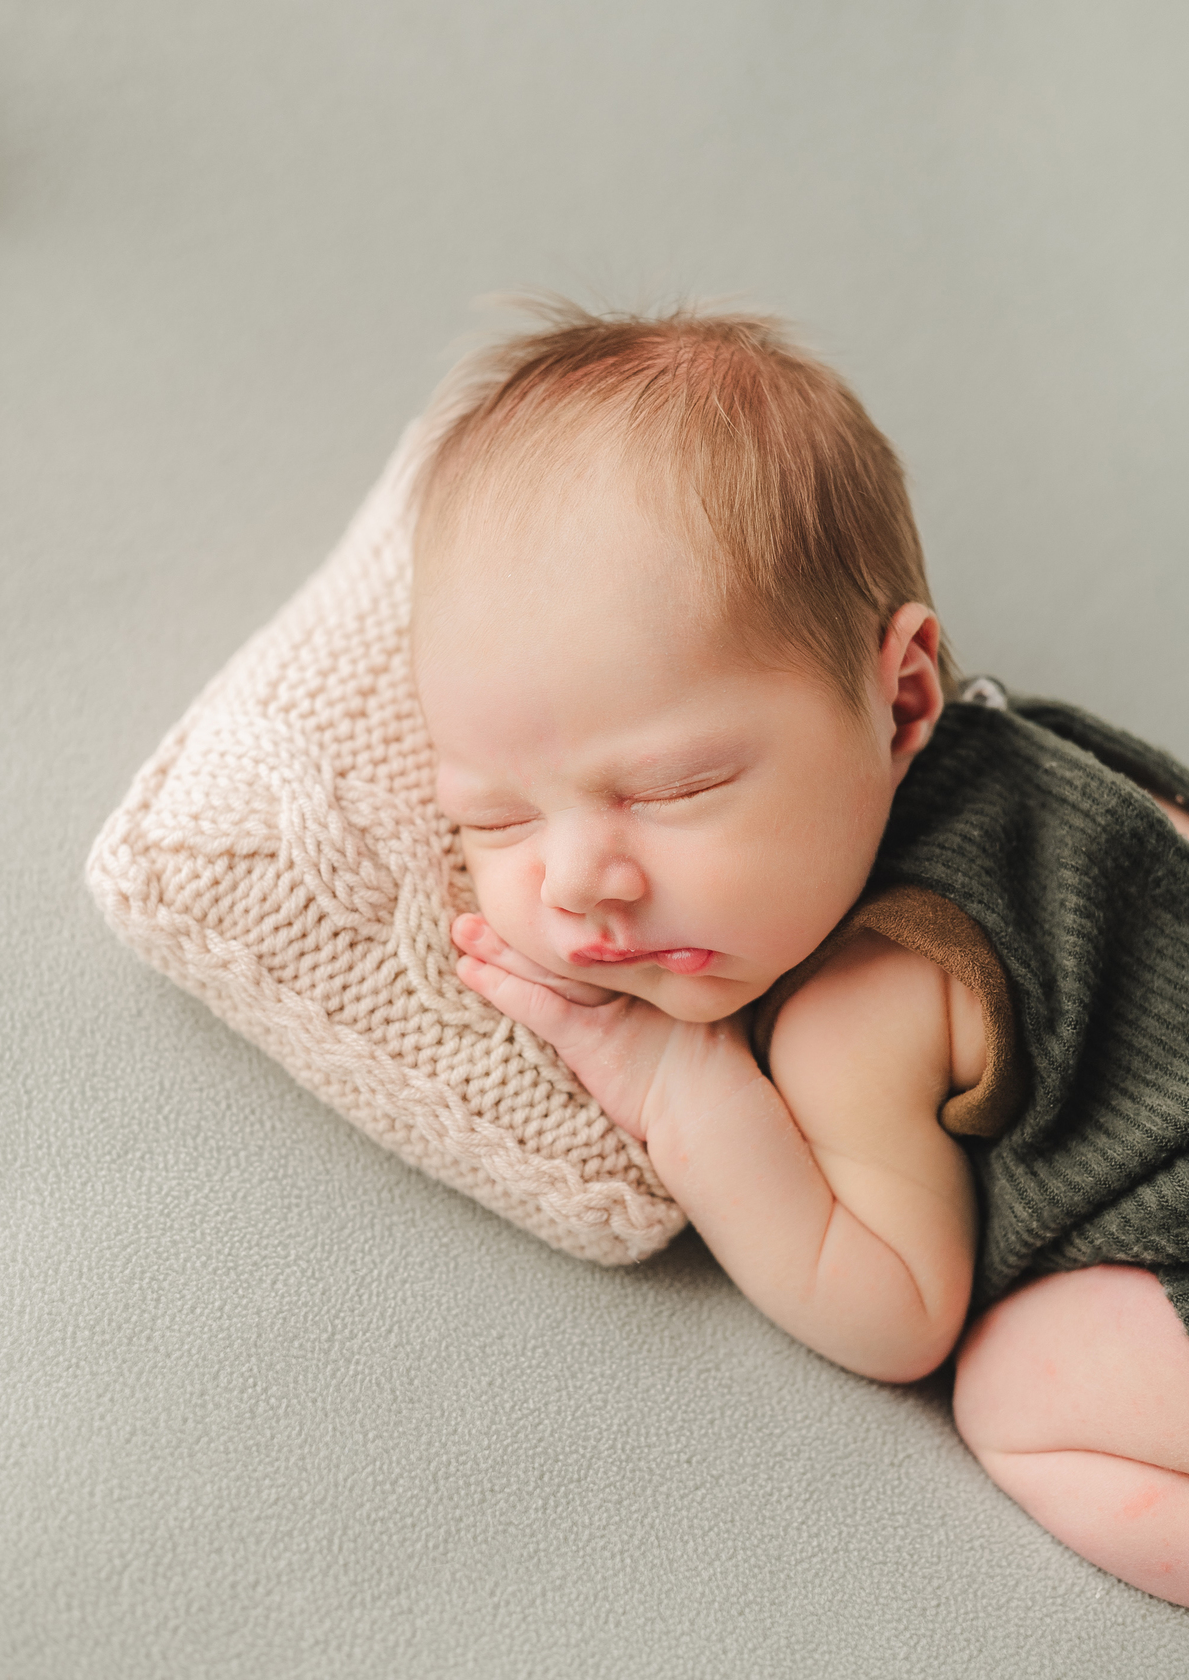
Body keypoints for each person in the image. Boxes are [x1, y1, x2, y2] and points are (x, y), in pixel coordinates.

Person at [408, 301, 1189, 1605]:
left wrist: (675, 1085)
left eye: (673, 788)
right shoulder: (1037, 747)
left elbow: (896, 1310)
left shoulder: (864, 1001)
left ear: (901, 697)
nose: (579, 880)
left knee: (1017, 1390)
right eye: (495, 817)